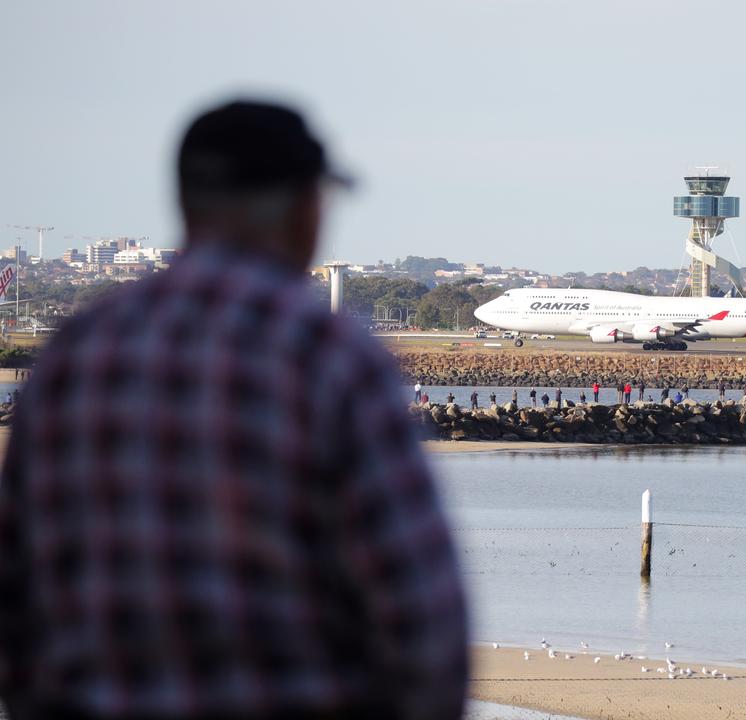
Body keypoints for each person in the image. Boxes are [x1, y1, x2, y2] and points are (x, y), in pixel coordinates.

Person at [0, 100, 467, 719]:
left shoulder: (75, 353)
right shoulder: (333, 359)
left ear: (188, 204)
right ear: (306, 208)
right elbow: (425, 631)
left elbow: (15, 602)